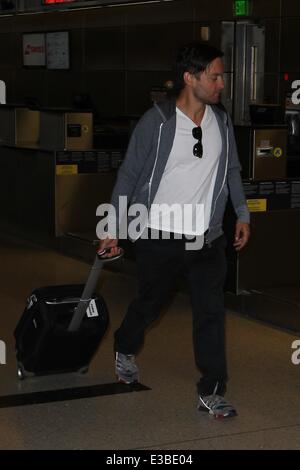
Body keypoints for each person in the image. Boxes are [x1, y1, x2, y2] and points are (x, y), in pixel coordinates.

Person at [98, 42, 250, 419]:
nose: (221, 84)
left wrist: (242, 213)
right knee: (150, 304)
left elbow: (231, 170)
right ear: (190, 77)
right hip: (158, 235)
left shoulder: (223, 121)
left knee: (210, 313)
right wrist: (114, 227)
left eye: (221, 76)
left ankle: (212, 390)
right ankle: (125, 345)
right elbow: (129, 176)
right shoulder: (158, 121)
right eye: (214, 76)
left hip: (207, 238)